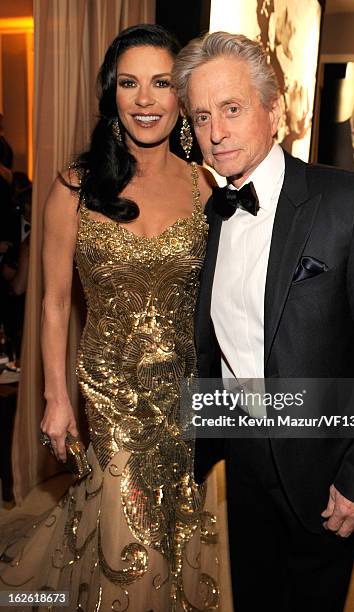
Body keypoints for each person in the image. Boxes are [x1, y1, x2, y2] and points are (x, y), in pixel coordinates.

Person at [172, 32, 354, 612]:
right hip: (244, 457)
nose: (217, 131)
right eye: (202, 116)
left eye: (232, 109)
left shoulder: (352, 202)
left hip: (325, 458)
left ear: (273, 111)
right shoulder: (207, 216)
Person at [0, 25, 219, 611]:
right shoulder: (75, 185)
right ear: (111, 93)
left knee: (171, 519)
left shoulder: (204, 185)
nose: (145, 99)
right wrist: (55, 396)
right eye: (129, 83)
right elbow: (51, 302)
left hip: (182, 388)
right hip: (111, 385)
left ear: (182, 95)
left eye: (161, 83)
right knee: (130, 532)